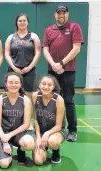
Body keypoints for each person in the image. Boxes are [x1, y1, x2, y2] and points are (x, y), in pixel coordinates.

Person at [42, 5, 84, 142]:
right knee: (53, 100)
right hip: (52, 71)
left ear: (67, 14)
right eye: (59, 13)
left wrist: (61, 63)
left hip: (68, 70)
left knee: (68, 100)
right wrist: (53, 65)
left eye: (63, 13)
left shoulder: (74, 27)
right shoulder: (49, 30)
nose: (61, 15)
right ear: (55, 15)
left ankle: (72, 130)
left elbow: (76, 49)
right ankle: (58, 128)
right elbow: (45, 50)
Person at [0, 72, 35, 168]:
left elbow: (26, 124)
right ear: (6, 84)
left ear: (20, 84)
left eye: (16, 82)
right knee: (4, 165)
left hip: (18, 133)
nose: (13, 85)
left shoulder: (26, 100)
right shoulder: (0, 100)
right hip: (3, 134)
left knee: (30, 144)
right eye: (10, 82)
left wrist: (10, 135)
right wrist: (4, 141)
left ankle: (21, 151)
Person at [4, 13, 41, 98]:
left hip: (29, 71)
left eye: (24, 20)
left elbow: (38, 53)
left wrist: (29, 67)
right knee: (12, 95)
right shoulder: (11, 37)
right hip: (13, 70)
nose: (22, 22)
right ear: (16, 23)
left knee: (29, 96)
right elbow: (7, 54)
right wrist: (14, 68)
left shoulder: (33, 36)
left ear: (28, 22)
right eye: (20, 21)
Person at [32, 75, 66, 165]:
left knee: (53, 141)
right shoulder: (35, 96)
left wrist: (47, 134)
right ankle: (44, 147)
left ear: (54, 87)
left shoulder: (58, 100)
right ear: (39, 85)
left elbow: (59, 126)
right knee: (38, 161)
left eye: (49, 85)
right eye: (43, 84)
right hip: (41, 131)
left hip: (56, 132)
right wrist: (38, 137)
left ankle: (55, 151)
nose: (46, 87)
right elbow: (35, 120)